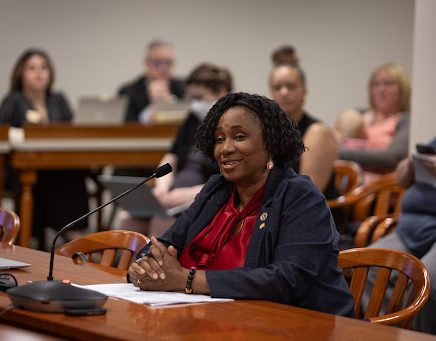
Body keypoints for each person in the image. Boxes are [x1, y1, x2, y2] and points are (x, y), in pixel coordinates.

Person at [128, 92, 355, 316]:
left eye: (239, 137)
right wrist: (143, 265)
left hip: (296, 326)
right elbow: (165, 244)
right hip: (211, 319)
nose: (225, 148)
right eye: (219, 139)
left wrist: (188, 279)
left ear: (270, 142)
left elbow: (287, 280)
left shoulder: (300, 197)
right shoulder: (216, 189)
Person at [363, 77, 436, 334]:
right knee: (370, 264)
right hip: (412, 228)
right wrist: (411, 165)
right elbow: (404, 177)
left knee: (429, 282)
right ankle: (374, 336)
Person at [117, 63, 233, 237]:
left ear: (221, 92)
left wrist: (190, 194)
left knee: (161, 221)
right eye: (191, 97)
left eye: (200, 97)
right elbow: (172, 156)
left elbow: (231, 179)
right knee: (127, 219)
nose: (195, 103)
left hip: (207, 197)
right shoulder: (193, 119)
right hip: (174, 198)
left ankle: (149, 264)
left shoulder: (233, 127)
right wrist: (161, 188)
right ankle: (131, 264)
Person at [0, 48, 89, 248]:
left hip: (58, 165)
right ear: (21, 73)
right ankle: (71, 238)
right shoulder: (14, 100)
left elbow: (71, 130)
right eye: (32, 68)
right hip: (23, 168)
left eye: (44, 67)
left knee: (77, 172)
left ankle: (76, 234)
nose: (39, 72)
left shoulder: (58, 99)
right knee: (50, 180)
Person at [269, 46, 338, 199]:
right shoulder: (266, 131)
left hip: (311, 216)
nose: (284, 92)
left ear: (304, 92)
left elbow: (307, 195)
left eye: (291, 87)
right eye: (277, 87)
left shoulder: (317, 132)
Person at [336, 62, 411, 183]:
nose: (381, 89)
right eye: (375, 85)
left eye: (388, 83)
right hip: (346, 178)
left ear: (402, 89)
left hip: (379, 189)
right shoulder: (358, 115)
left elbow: (392, 157)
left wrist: (339, 153)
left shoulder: (404, 119)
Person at [118, 39, 186, 124]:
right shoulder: (129, 91)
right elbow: (127, 125)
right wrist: (152, 108)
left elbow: (189, 122)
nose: (163, 68)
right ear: (146, 63)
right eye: (157, 62)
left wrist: (169, 102)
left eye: (168, 62)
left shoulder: (184, 87)